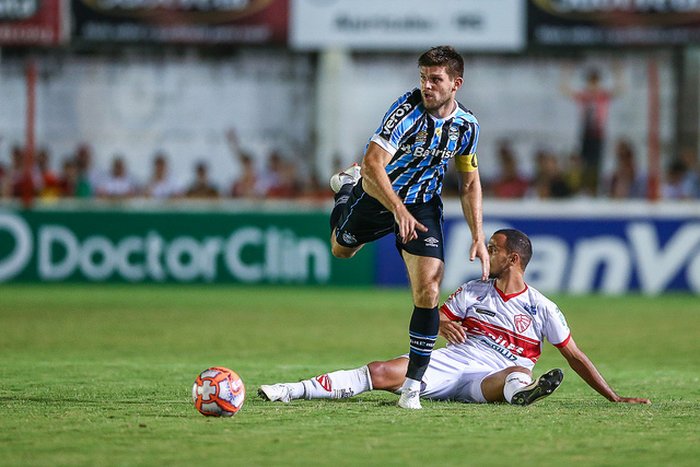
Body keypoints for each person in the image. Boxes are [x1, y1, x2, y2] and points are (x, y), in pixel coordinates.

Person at [259, 229, 651, 407]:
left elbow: (574, 355)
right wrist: (443, 322)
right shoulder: (473, 291)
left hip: (491, 377)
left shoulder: (542, 307)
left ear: (513, 259)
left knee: (517, 373)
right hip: (452, 363)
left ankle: (523, 394)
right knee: (379, 372)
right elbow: (435, 317)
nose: (485, 254)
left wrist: (613, 396)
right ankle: (290, 390)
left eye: (493, 249)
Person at [326, 46, 489, 409]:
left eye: (436, 80)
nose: (427, 86)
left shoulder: (468, 126)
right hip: (378, 195)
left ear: (455, 84)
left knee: (429, 288)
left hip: (423, 205)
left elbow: (469, 182)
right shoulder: (406, 111)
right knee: (342, 249)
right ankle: (344, 190)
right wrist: (396, 209)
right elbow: (372, 163)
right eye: (423, 78)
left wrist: (478, 234)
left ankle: (413, 386)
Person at [561, 64, 624, 196]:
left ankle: (594, 188)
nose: (593, 85)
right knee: (582, 162)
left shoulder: (602, 96)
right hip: (586, 133)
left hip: (597, 134)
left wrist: (618, 73)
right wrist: (566, 74)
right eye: (591, 81)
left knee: (596, 163)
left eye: (595, 81)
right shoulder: (585, 96)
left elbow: (619, 90)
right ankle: (582, 187)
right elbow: (565, 91)